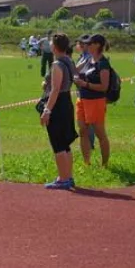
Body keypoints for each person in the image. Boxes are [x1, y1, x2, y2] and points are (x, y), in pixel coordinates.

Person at [40, 34, 78, 190]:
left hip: (58, 103)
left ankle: (63, 179)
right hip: (66, 102)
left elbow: (55, 89)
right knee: (65, 143)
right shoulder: (69, 61)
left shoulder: (57, 64)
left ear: (55, 47)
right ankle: (67, 176)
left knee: (58, 143)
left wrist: (47, 110)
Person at [73, 33, 111, 168]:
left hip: (95, 101)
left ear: (98, 45)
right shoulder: (88, 60)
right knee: (82, 130)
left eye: (89, 44)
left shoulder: (103, 63)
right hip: (82, 99)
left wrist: (85, 84)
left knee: (100, 133)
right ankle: (86, 162)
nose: (86, 46)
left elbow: (104, 87)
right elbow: (74, 71)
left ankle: (105, 164)